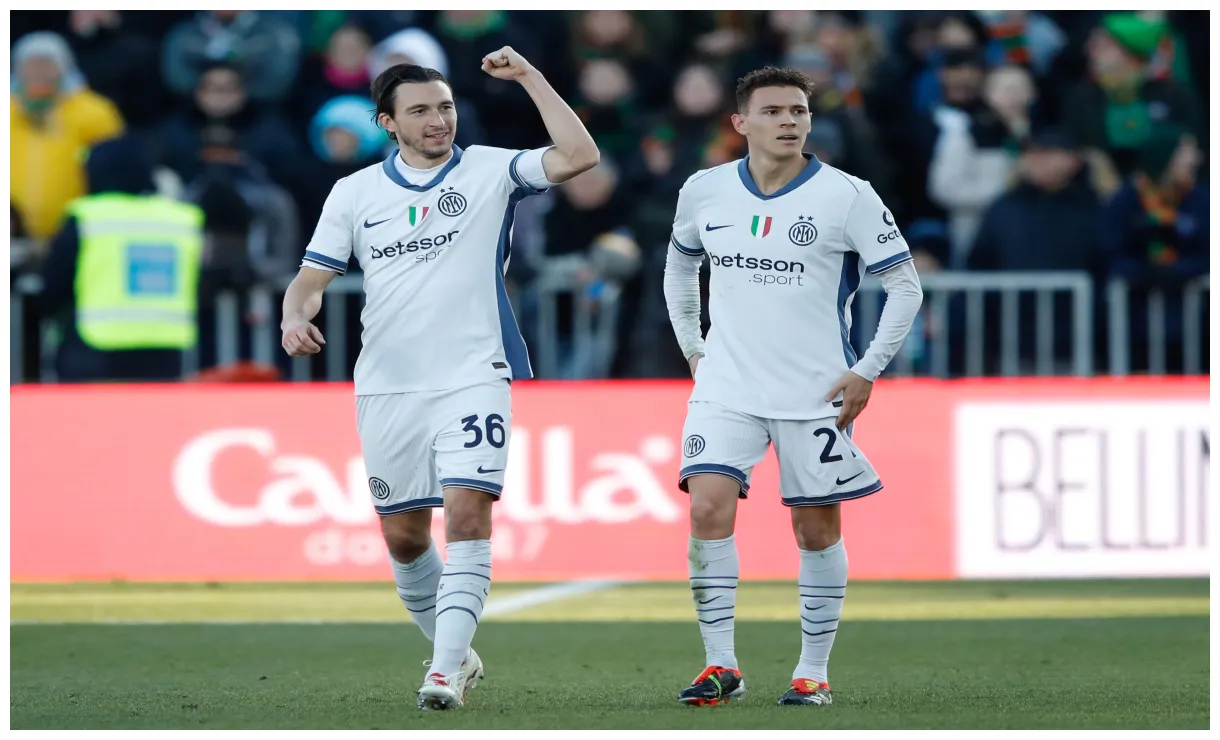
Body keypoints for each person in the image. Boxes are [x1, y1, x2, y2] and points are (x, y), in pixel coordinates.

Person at [279, 51, 598, 711]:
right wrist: (293, 317)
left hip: (473, 373)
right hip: (389, 383)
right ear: (387, 123)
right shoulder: (356, 192)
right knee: (404, 536)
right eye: (420, 110)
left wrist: (531, 78)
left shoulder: (490, 169)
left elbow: (578, 156)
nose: (437, 120)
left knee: (467, 512)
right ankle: (456, 650)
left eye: (445, 107)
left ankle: (444, 670)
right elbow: (311, 280)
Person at [663, 66, 923, 707]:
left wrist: (867, 369)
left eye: (799, 112)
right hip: (726, 386)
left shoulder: (847, 195)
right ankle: (720, 664)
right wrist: (694, 348)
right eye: (774, 110)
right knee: (706, 507)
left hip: (815, 392)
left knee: (815, 528)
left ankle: (813, 672)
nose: (789, 122)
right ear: (740, 123)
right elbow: (678, 267)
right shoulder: (705, 190)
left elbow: (905, 286)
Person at [39, 135, 205, 382]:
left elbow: (56, 281)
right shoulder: (182, 218)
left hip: (92, 347)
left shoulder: (87, 216)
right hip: (164, 347)